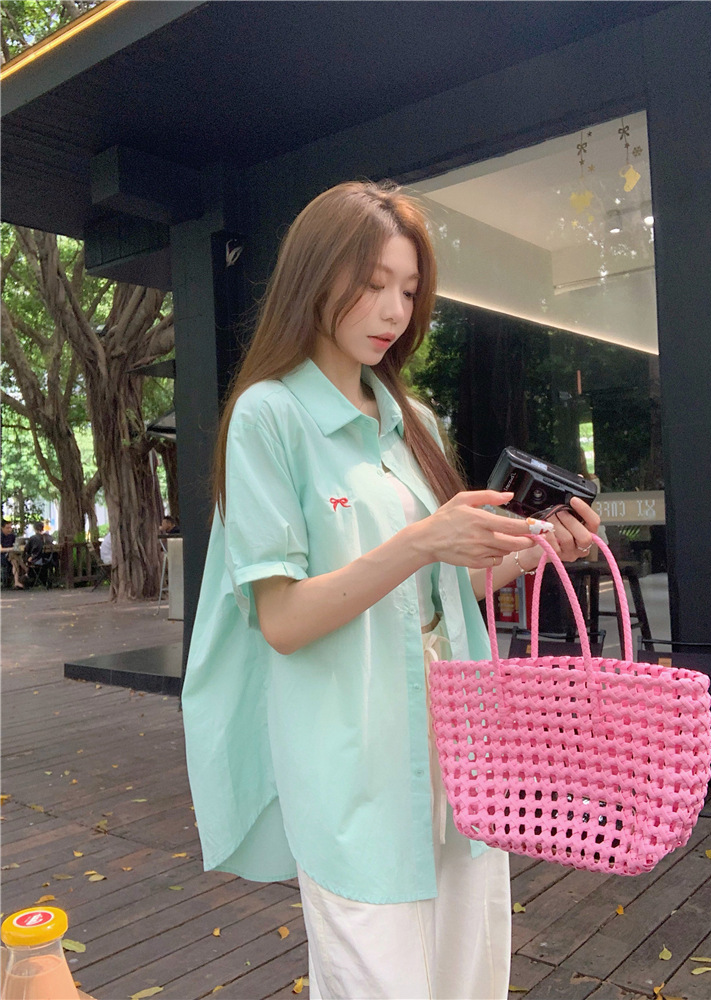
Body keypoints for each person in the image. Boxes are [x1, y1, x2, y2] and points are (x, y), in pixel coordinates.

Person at [181, 181, 601, 1000]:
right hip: (354, 765)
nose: (393, 311)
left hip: (458, 754)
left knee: (469, 980)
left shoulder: (415, 420)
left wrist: (536, 549)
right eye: (373, 283)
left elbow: (443, 593)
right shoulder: (269, 417)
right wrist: (419, 541)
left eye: (409, 291)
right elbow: (282, 619)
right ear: (314, 277)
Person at [1, 520, 23, 589]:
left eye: (10, 528)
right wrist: (12, 549)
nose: (9, 530)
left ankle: (16, 582)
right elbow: (0, 550)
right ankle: (26, 571)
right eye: (7, 528)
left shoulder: (12, 536)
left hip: (12, 555)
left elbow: (16, 545)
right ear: (2, 528)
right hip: (2, 556)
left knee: (14, 558)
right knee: (14, 558)